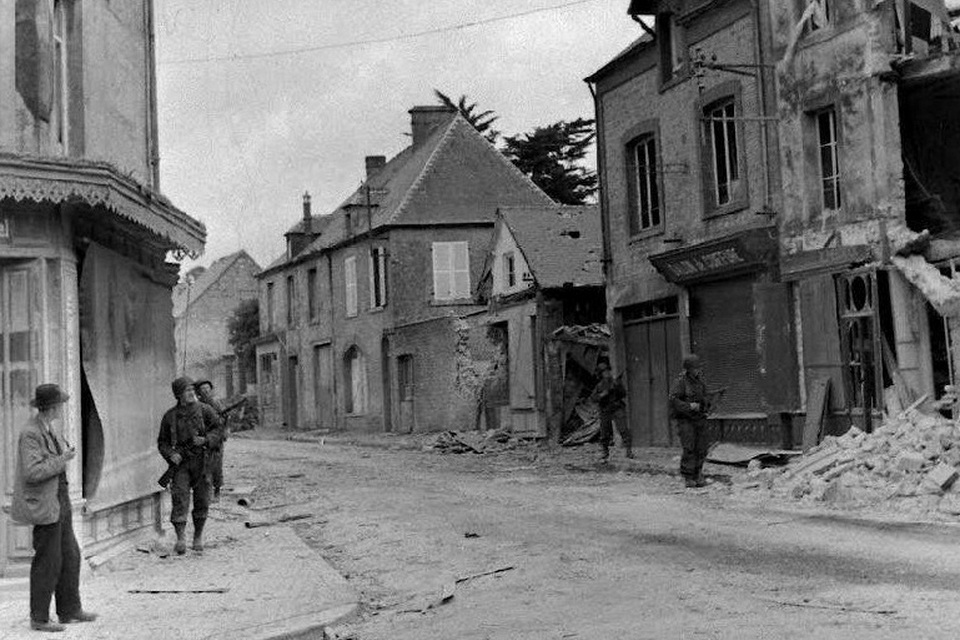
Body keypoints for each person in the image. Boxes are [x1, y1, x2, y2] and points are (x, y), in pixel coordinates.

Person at [11, 384, 98, 633]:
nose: (63, 407)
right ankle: (38, 617)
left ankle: (69, 609)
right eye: (60, 403)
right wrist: (62, 460)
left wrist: (61, 457)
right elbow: (32, 472)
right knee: (48, 561)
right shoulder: (31, 433)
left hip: (60, 500)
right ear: (51, 406)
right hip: (45, 505)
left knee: (70, 555)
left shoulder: (49, 428)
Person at [157, 376, 224, 555]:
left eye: (193, 390)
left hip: (203, 462)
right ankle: (180, 538)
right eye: (188, 391)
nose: (192, 393)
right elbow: (162, 442)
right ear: (179, 395)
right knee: (179, 499)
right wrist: (172, 455)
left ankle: (198, 537)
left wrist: (206, 439)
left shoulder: (205, 410)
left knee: (202, 499)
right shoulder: (170, 416)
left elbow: (219, 430)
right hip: (181, 465)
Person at [669, 354, 711, 488]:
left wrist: (708, 403)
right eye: (695, 368)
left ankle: (698, 473)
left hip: (699, 418)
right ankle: (688, 476)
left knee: (702, 448)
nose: (698, 370)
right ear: (689, 369)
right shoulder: (681, 382)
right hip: (686, 419)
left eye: (698, 368)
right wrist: (689, 406)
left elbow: (705, 397)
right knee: (689, 448)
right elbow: (674, 400)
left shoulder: (700, 382)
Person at [590, 359, 632, 463]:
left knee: (623, 430)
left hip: (617, 408)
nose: (607, 374)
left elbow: (623, 394)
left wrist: (617, 387)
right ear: (601, 374)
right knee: (605, 432)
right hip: (605, 410)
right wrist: (603, 394)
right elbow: (593, 398)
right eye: (604, 372)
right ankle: (605, 452)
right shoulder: (599, 386)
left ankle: (628, 450)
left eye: (608, 371)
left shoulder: (615, 382)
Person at [194, 380, 227, 501]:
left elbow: (224, 419)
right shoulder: (196, 405)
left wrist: (222, 433)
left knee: (217, 465)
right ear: (198, 392)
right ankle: (205, 492)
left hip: (215, 438)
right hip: (202, 438)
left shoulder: (216, 403)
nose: (206, 391)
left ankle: (217, 491)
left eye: (208, 388)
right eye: (203, 389)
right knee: (203, 466)